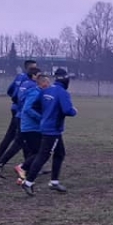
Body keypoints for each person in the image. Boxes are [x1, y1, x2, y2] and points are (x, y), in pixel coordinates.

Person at [20, 68, 77, 196]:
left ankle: (54, 182)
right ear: (66, 80)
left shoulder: (46, 90)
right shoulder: (62, 93)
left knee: (60, 153)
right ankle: (28, 182)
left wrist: (46, 115)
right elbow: (67, 110)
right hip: (53, 130)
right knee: (43, 155)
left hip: (47, 127)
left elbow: (35, 106)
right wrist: (74, 111)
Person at [0, 59, 37, 175]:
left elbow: (10, 91)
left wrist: (16, 101)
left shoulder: (20, 77)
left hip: (16, 110)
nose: (36, 70)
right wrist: (21, 104)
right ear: (28, 69)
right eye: (33, 68)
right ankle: (1, 162)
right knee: (21, 139)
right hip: (21, 112)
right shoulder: (29, 81)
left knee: (14, 137)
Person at [15, 72, 49, 180]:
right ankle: (22, 167)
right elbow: (28, 109)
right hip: (31, 127)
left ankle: (24, 175)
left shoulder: (38, 93)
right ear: (43, 83)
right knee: (40, 152)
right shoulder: (35, 93)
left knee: (34, 151)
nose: (49, 86)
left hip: (32, 127)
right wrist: (41, 118)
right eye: (48, 83)